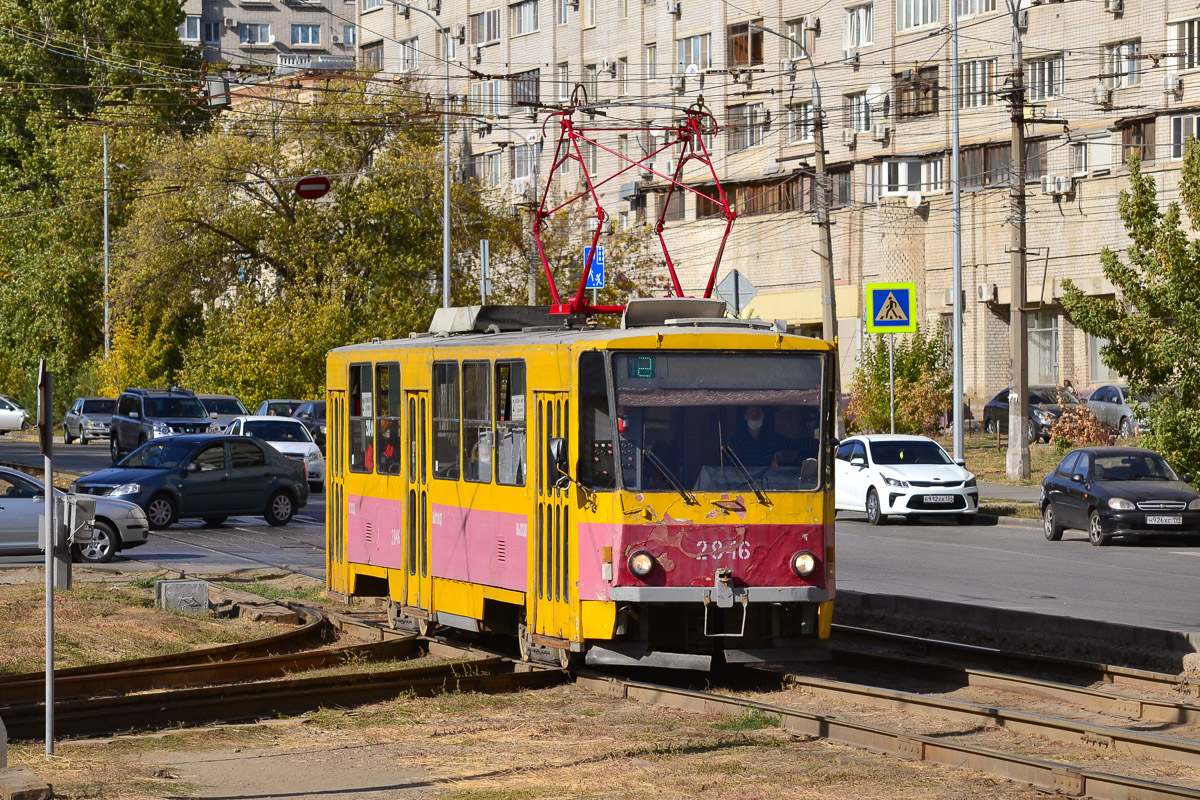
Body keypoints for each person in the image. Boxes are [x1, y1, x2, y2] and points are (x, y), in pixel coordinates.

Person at [728, 406, 792, 468]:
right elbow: (732, 465)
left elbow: (795, 444)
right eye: (751, 413)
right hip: (745, 478)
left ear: (763, 416)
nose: (755, 416)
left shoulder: (772, 438)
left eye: (758, 413)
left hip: (767, 477)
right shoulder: (737, 440)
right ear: (745, 416)